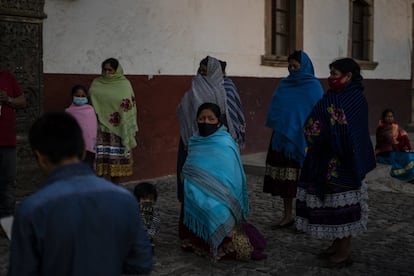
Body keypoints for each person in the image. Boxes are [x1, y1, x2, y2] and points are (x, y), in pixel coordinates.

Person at [8, 112, 152, 275]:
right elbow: (141, 264)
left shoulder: (31, 211)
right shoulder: (125, 200)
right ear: (83, 151)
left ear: (40, 158)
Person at [296, 58, 376, 268]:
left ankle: (344, 250)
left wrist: (330, 130)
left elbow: (350, 130)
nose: (330, 77)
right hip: (323, 158)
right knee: (330, 205)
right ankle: (335, 243)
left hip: (344, 162)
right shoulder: (331, 96)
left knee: (342, 206)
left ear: (348, 76)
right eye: (330, 73)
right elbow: (319, 117)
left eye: (335, 73)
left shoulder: (355, 98)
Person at [179, 103, 266, 261]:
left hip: (224, 195)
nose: (206, 122)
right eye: (202, 118)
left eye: (210, 119)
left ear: (218, 121)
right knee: (195, 199)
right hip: (195, 189)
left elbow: (233, 176)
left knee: (216, 209)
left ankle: (224, 240)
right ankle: (198, 240)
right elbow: (189, 169)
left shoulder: (225, 142)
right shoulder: (194, 141)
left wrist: (219, 194)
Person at [263, 50, 323, 228]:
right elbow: (277, 109)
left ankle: (306, 217)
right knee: (285, 183)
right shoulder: (284, 85)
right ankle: (287, 215)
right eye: (289, 66)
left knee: (304, 182)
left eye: (295, 66)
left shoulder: (314, 87)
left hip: (304, 141)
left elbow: (317, 114)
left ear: (304, 66)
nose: (291, 69)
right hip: (283, 140)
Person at [176, 56, 246, 201]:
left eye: (205, 71)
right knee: (191, 182)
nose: (201, 74)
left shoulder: (225, 89)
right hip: (192, 142)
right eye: (200, 71)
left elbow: (231, 116)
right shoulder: (194, 88)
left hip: (216, 144)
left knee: (215, 184)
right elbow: (183, 111)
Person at [89, 57, 138, 183]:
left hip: (118, 131)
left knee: (116, 164)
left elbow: (129, 105)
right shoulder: (96, 83)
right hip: (100, 129)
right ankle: (98, 189)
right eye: (105, 70)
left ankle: (115, 190)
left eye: (110, 70)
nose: (107, 73)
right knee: (100, 162)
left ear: (117, 70)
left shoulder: (124, 84)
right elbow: (90, 101)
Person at [0, 69, 26, 220]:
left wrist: (8, 99)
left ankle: (7, 222)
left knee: (8, 183)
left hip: (6, 141)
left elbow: (22, 101)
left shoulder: (7, 77)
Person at [65, 84, 98, 169]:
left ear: (86, 97)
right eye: (77, 96)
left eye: (82, 96)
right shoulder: (68, 112)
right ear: (72, 96)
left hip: (89, 149)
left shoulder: (90, 110)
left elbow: (93, 130)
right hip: (74, 148)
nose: (80, 98)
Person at [133, 182, 161, 251]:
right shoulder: (133, 210)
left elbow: (155, 226)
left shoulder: (154, 212)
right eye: (144, 199)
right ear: (138, 199)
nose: (147, 201)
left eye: (151, 199)